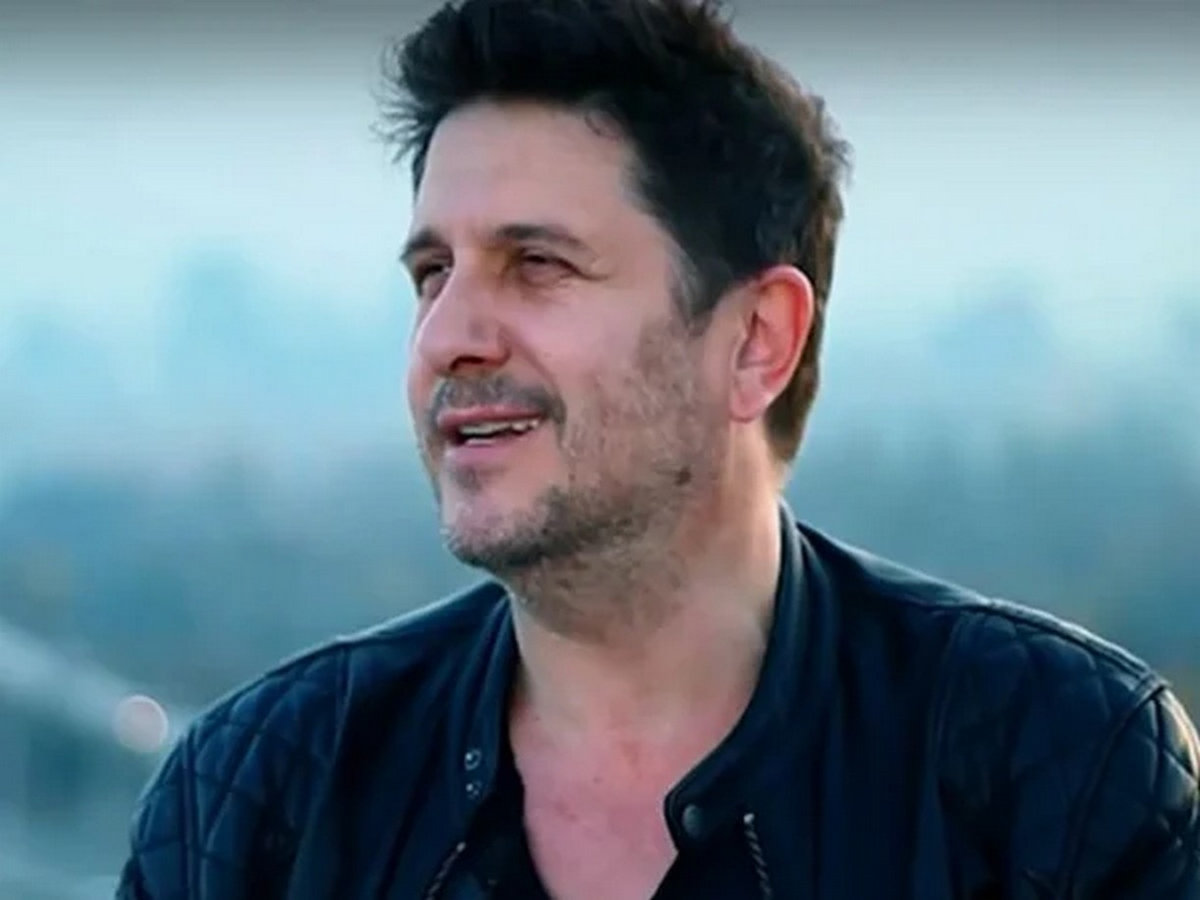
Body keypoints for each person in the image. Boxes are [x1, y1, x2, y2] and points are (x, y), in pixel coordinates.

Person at [118, 0, 1200, 897]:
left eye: (537, 264)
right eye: (432, 274)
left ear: (756, 341)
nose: (447, 337)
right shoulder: (259, 798)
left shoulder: (1057, 772)